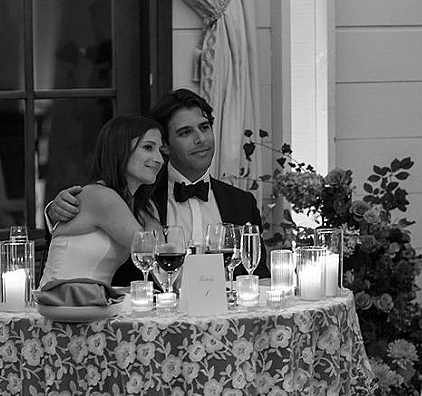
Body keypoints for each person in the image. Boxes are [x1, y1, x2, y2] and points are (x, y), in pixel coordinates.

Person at [46, 88, 270, 284]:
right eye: (185, 132)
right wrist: (53, 210)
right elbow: (153, 257)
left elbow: (257, 273)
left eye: (204, 127)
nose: (200, 138)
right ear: (168, 147)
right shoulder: (118, 198)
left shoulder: (241, 203)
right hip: (118, 319)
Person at [37, 115, 164, 307]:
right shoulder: (100, 196)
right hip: (58, 307)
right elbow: (151, 251)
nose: (159, 159)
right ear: (120, 150)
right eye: (148, 147)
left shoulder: (140, 206)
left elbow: (161, 265)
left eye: (160, 151)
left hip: (95, 308)